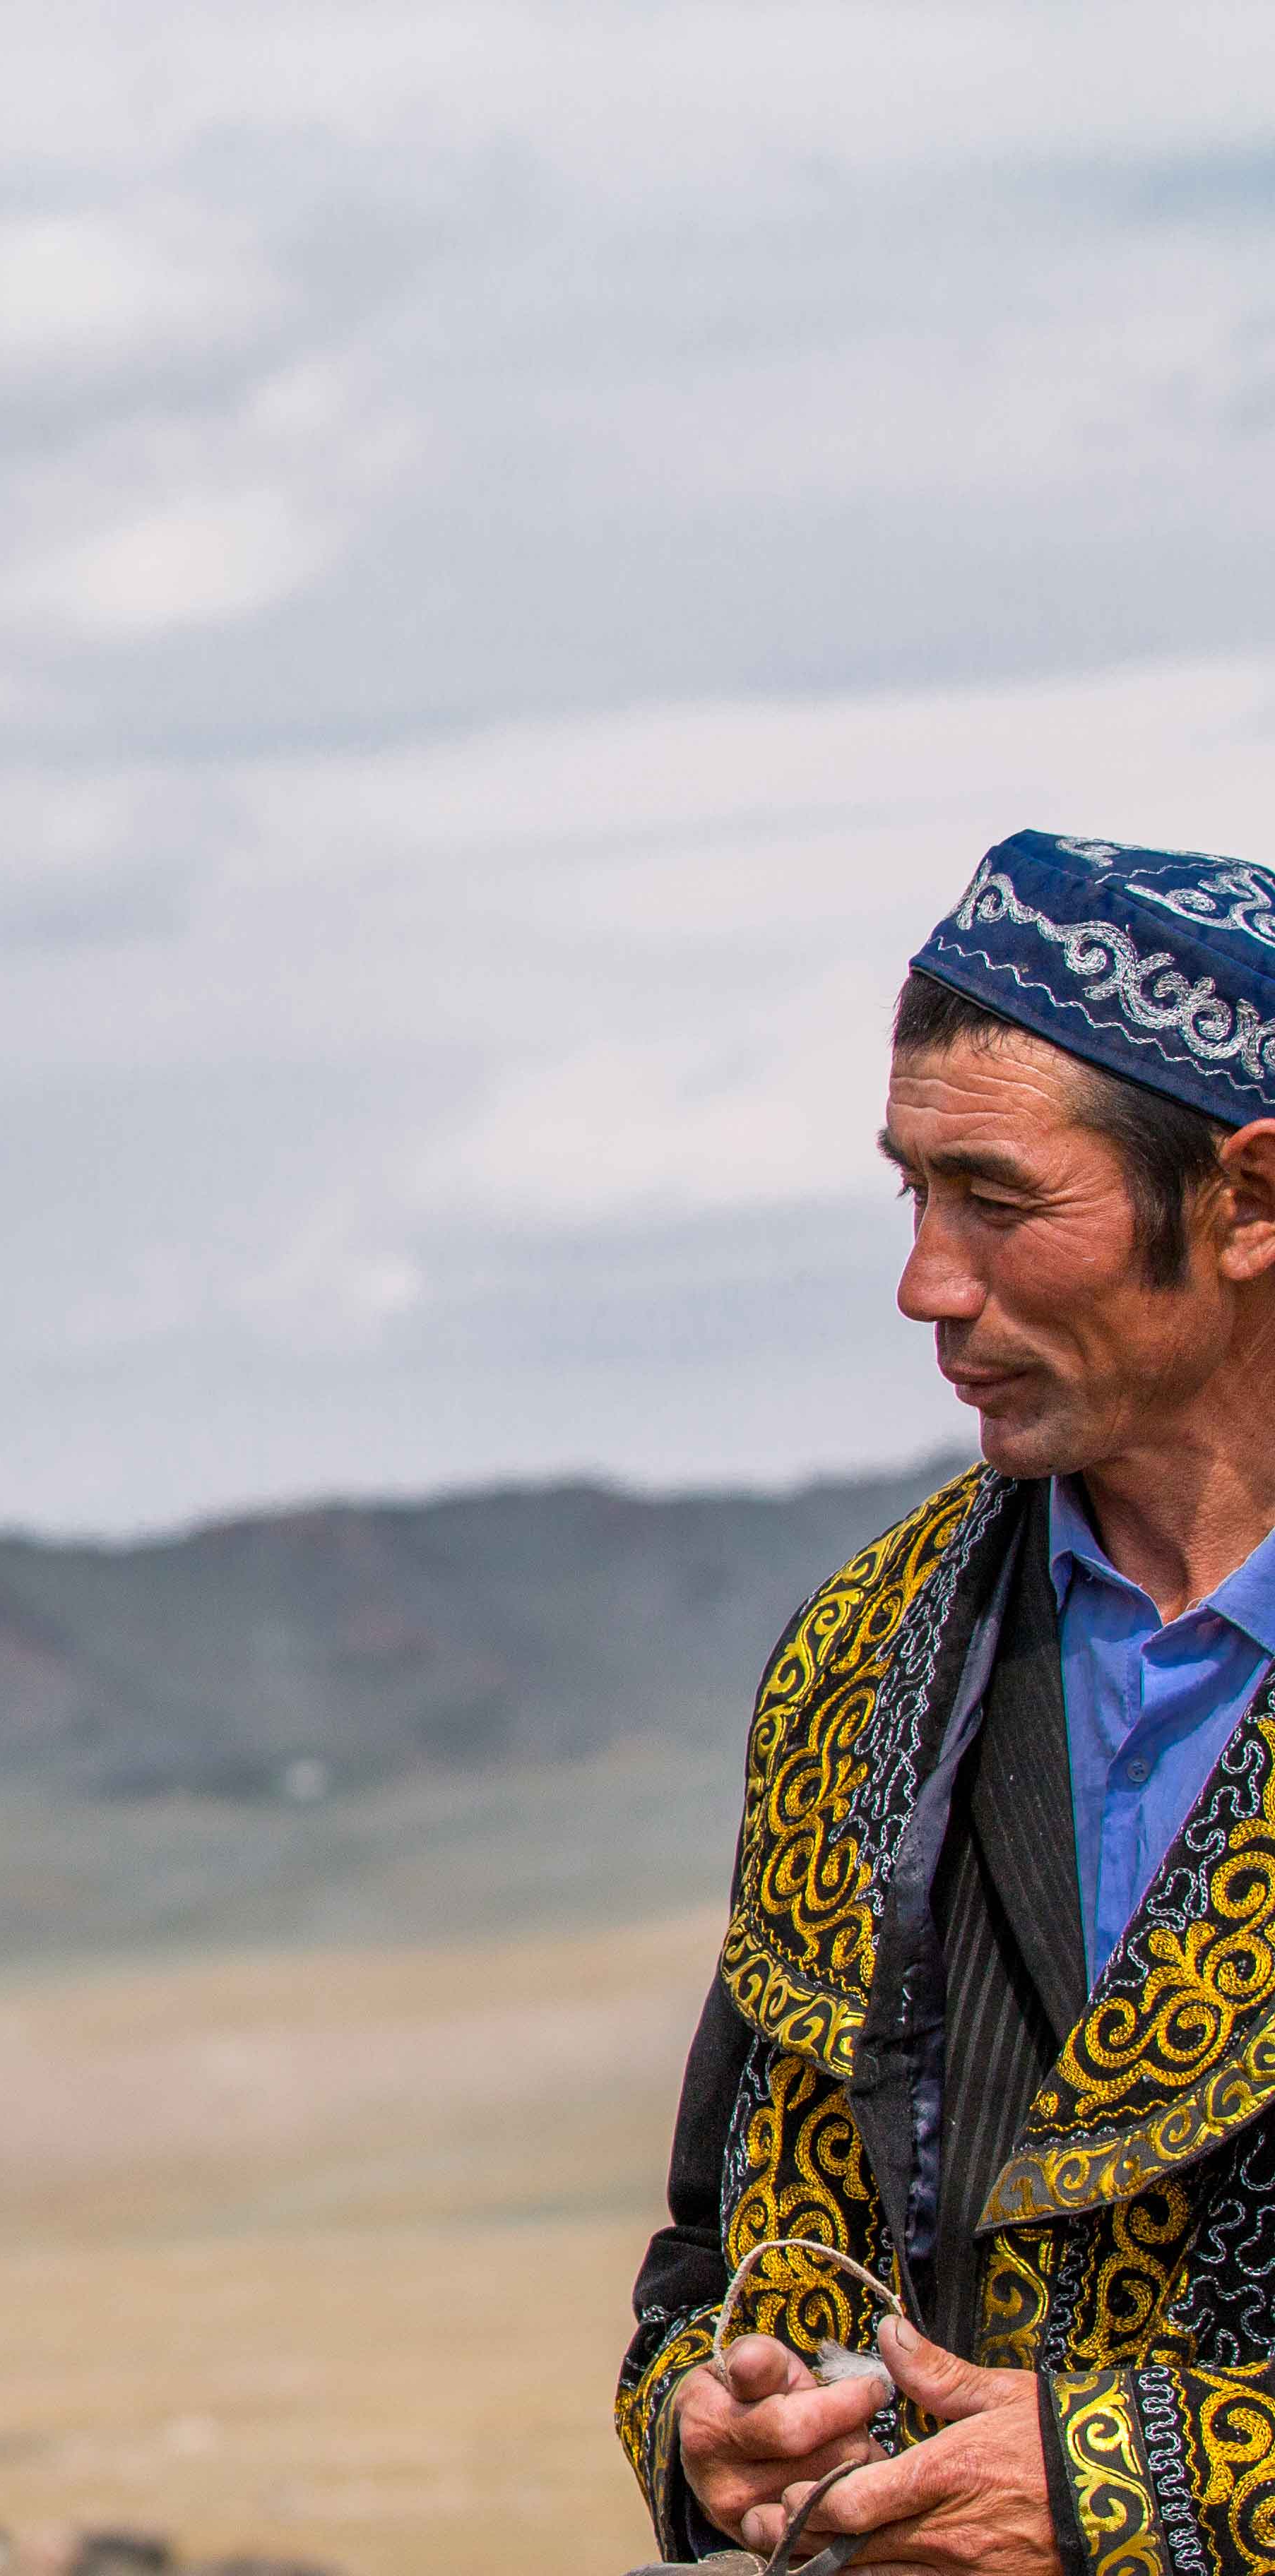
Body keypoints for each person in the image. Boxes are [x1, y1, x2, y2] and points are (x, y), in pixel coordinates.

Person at [621, 830, 1275, 2576]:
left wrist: (1143, 2493)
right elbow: (709, 2265)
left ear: (1250, 1202)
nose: (927, 1281)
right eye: (912, 1193)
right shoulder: (861, 1658)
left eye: (997, 1200)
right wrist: (720, 2423)